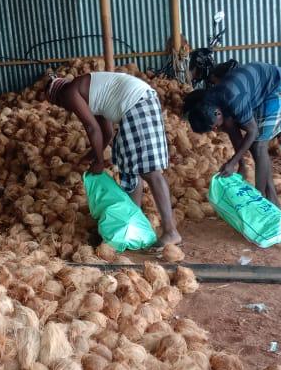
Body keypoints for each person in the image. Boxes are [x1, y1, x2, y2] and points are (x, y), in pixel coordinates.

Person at [48, 72, 182, 246]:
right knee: (130, 171)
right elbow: (107, 133)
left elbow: (91, 128)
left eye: (60, 104)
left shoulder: (69, 92)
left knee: (150, 172)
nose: (66, 108)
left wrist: (99, 161)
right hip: (138, 103)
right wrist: (93, 155)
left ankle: (171, 231)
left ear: (59, 98)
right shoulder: (91, 94)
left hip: (136, 105)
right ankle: (132, 224)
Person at [183, 61, 281, 206]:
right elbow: (232, 130)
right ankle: (272, 199)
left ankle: (260, 199)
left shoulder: (234, 99)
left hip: (278, 86)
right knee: (256, 147)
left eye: (214, 126)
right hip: (260, 88)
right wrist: (240, 164)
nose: (215, 130)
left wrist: (232, 162)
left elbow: (252, 131)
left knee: (258, 146)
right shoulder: (210, 101)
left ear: (218, 113)